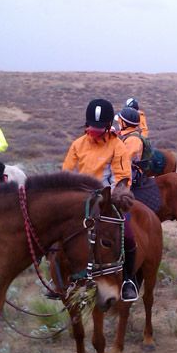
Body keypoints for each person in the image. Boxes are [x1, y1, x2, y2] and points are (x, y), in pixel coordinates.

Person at [62, 99, 139, 301]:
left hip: (107, 202)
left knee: (128, 236)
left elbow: (123, 177)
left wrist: (111, 198)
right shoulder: (77, 145)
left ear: (108, 126)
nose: (94, 132)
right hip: (80, 202)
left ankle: (128, 280)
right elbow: (67, 173)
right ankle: (59, 278)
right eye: (91, 128)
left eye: (99, 129)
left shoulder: (117, 146)